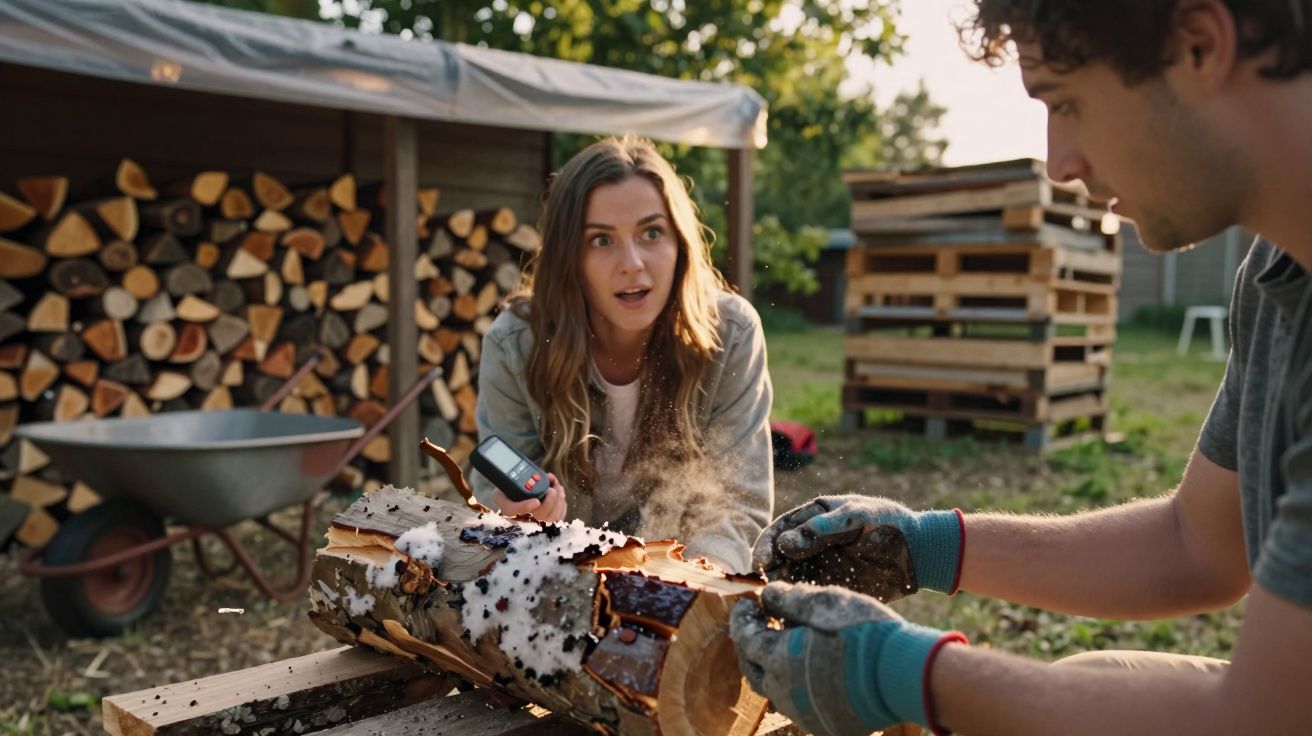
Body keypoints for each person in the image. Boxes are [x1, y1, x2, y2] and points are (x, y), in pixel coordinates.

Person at [729, 0, 1312, 733]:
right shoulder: (1277, 270)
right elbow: (1198, 545)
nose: (1061, 162)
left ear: (1199, 45)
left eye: (1066, 102)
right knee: (1088, 683)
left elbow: (1265, 718)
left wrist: (903, 673)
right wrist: (924, 544)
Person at [473, 136, 773, 573]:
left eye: (652, 233)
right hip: (557, 578)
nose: (632, 262)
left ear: (680, 244)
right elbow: (493, 506)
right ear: (568, 258)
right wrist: (520, 525)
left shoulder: (732, 335)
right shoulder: (515, 344)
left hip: (682, 578)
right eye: (601, 240)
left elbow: (735, 509)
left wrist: (686, 591)